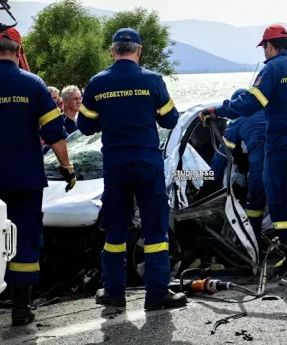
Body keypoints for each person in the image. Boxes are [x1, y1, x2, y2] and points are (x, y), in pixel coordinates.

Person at [199, 24, 287, 277]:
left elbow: (218, 164)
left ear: (270, 46)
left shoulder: (272, 70)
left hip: (282, 145)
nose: (264, 54)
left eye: (264, 48)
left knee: (281, 200)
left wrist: (217, 111)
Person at [77, 28, 187, 310]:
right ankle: (157, 294)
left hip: (116, 165)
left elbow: (85, 126)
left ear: (113, 51)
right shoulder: (152, 80)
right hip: (147, 163)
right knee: (155, 230)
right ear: (138, 52)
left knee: (115, 229)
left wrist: (110, 118)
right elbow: (171, 120)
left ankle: (114, 292)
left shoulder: (97, 82)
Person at [0, 28, 76, 326]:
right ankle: (20, 308)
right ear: (17, 52)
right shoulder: (33, 84)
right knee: (24, 237)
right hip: (25, 177)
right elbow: (55, 134)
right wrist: (67, 168)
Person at [199, 88, 267, 250]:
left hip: (261, 165)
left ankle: (253, 249)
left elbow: (221, 158)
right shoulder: (270, 114)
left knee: (254, 207)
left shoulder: (237, 123)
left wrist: (206, 184)